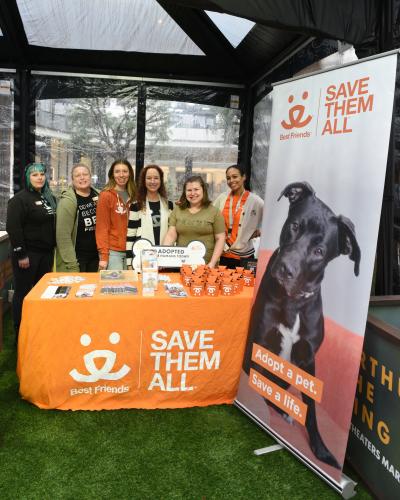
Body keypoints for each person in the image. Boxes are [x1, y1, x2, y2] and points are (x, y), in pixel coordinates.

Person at [6, 163, 57, 335]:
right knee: (23, 292)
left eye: (42, 174)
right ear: (28, 178)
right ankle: (20, 331)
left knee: (42, 292)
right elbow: (13, 228)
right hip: (28, 255)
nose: (39, 177)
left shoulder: (48, 198)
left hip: (46, 254)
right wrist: (21, 255)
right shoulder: (19, 200)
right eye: (35, 175)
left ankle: (38, 328)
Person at [163, 175, 225, 268]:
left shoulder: (214, 212)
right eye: (189, 190)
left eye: (196, 189)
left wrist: (212, 263)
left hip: (207, 266)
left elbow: (220, 239)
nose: (193, 193)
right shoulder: (178, 210)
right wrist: (163, 257)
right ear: (184, 192)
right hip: (182, 265)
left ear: (203, 190)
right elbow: (171, 235)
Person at [214, 164, 264, 269]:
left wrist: (259, 231)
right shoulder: (221, 198)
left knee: (244, 284)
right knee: (225, 284)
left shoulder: (256, 201)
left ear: (244, 177)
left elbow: (271, 219)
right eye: (228, 178)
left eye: (235, 176)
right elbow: (210, 216)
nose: (231, 180)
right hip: (224, 254)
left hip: (245, 255)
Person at [126, 164, 173, 268]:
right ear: (143, 181)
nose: (153, 181)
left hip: (164, 258)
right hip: (141, 258)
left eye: (156, 178)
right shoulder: (136, 205)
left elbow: (172, 233)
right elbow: (130, 235)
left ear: (161, 180)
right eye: (149, 178)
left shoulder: (169, 205)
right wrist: (129, 262)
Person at [56, 163, 100, 272]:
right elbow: (62, 236)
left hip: (97, 258)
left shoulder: (100, 196)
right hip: (77, 259)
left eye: (85, 174)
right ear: (72, 179)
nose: (82, 177)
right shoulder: (67, 202)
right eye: (77, 175)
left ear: (90, 177)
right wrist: (72, 264)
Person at [96, 159, 136, 270]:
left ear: (130, 174)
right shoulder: (106, 196)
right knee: (114, 286)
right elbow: (102, 228)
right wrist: (104, 256)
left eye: (125, 171)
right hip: (114, 252)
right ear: (112, 175)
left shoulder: (136, 196)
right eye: (117, 171)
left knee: (133, 286)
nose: (121, 175)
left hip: (134, 250)